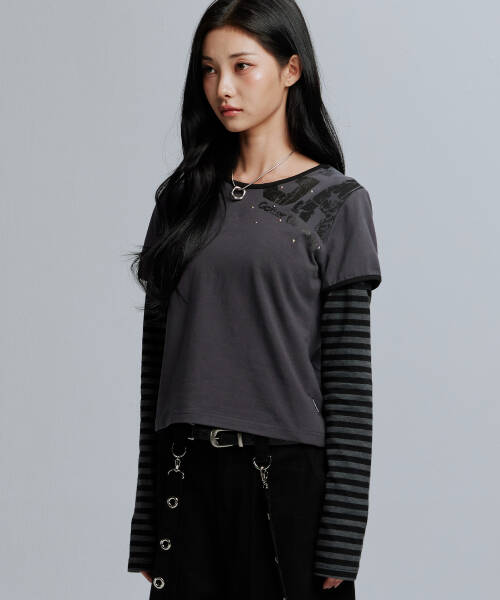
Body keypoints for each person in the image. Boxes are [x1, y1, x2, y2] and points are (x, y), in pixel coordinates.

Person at [126, 1, 382, 598]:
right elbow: (155, 374)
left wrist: (343, 536)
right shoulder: (180, 202)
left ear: (291, 69)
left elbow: (348, 383)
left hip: (287, 485)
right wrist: (145, 523)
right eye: (209, 69)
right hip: (186, 479)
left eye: (242, 66)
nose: (223, 87)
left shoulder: (336, 203)